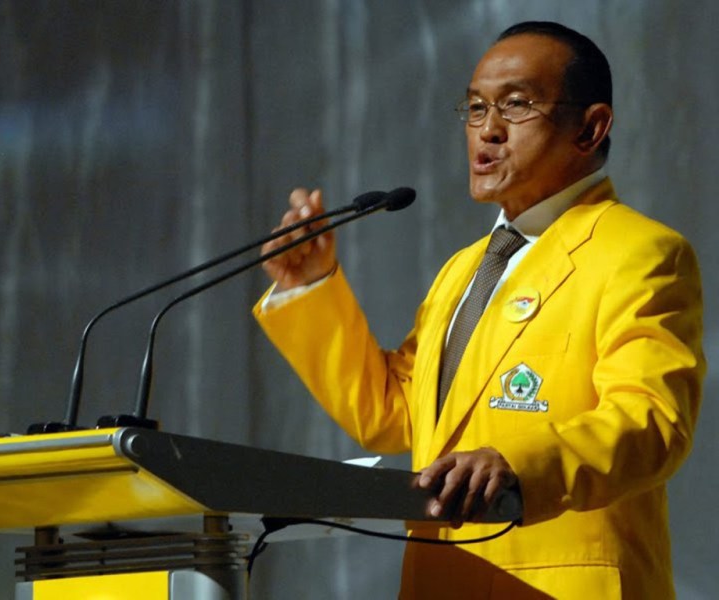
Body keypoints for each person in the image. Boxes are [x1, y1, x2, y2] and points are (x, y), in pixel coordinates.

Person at [253, 21, 704, 599]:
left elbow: (650, 422)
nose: (487, 129)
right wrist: (312, 286)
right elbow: (391, 414)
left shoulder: (639, 253)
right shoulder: (464, 269)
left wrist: (518, 465)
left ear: (590, 128)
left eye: (516, 105)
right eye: (474, 108)